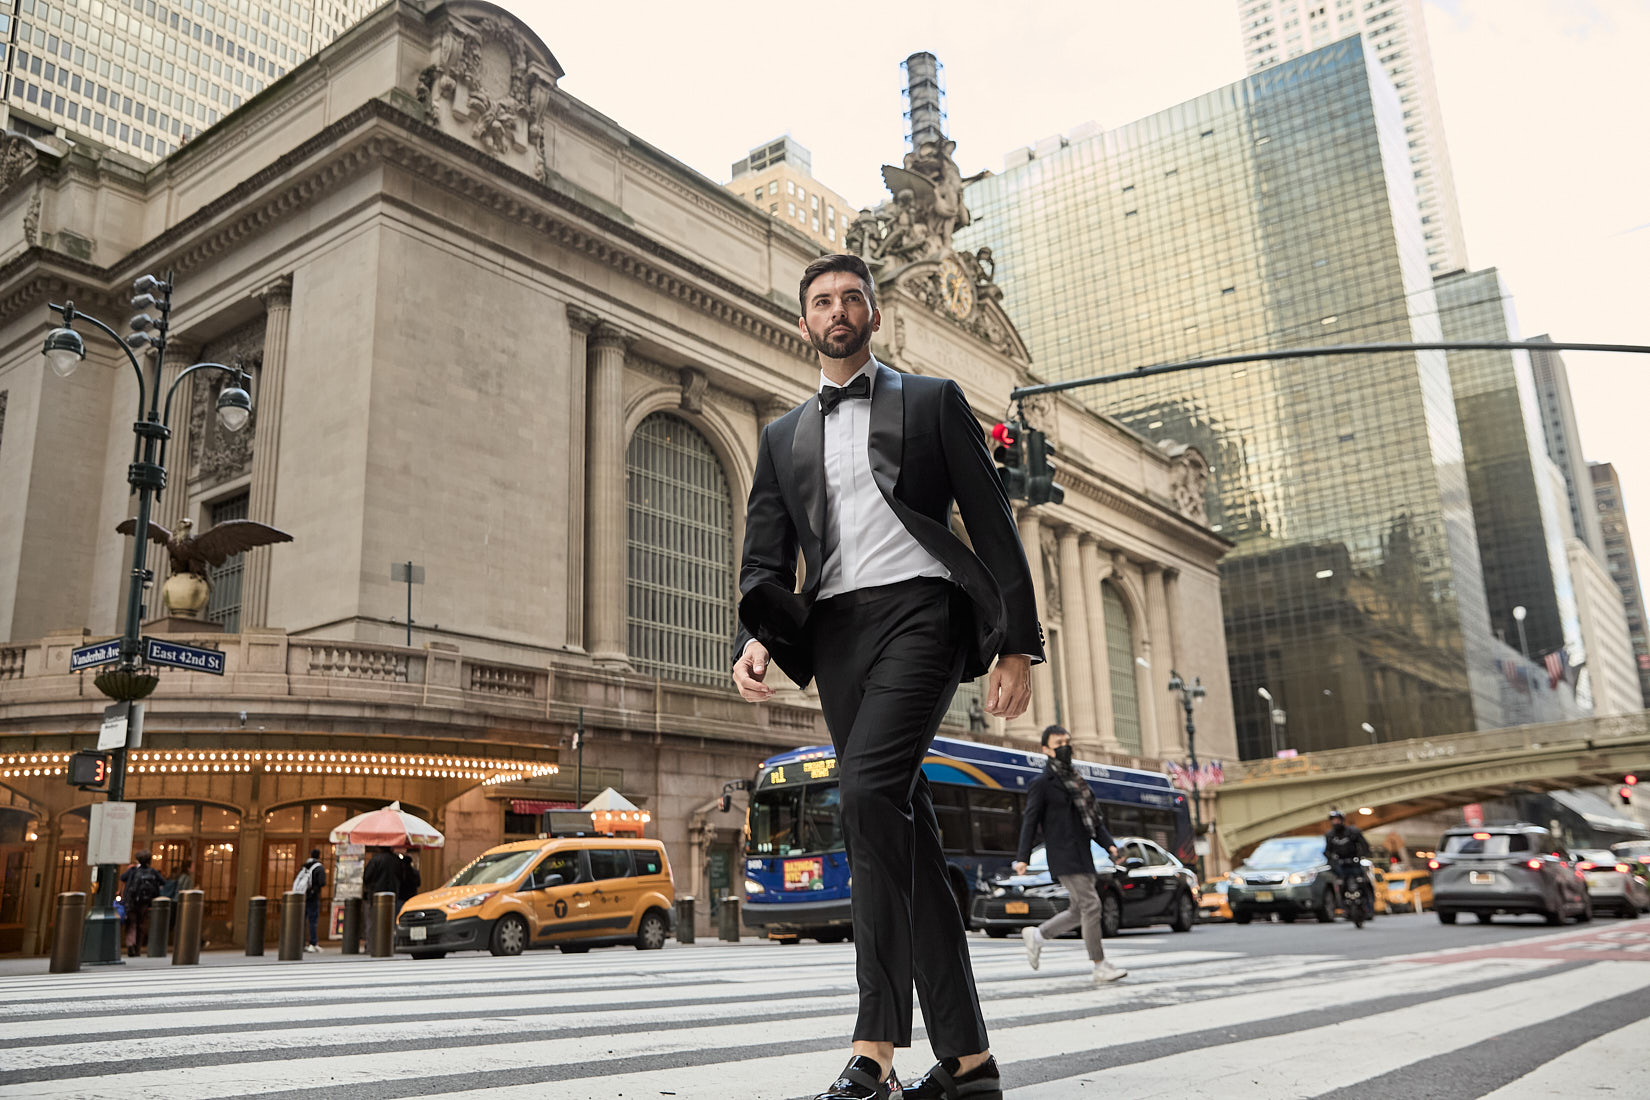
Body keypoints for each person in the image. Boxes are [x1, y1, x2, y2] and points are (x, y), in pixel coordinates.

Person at [733, 253, 1041, 1100]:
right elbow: (766, 554)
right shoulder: (782, 435)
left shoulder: (932, 402)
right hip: (835, 632)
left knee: (866, 793)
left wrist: (1017, 643)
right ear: (805, 321)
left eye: (852, 300)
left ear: (874, 315)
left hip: (922, 614)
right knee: (904, 833)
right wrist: (754, 637)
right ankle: (972, 1063)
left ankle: (875, 1043)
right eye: (822, 301)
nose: (838, 312)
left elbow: (991, 519)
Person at [1013, 726, 1127, 984]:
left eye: (1067, 741)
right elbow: (1030, 821)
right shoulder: (1042, 784)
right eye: (1059, 742)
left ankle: (1038, 936)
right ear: (1046, 750)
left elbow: (1094, 822)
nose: (1065, 746)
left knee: (1078, 910)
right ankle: (1099, 965)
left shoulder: (1077, 780)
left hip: (1083, 854)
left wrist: (1109, 846)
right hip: (1063, 855)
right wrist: (1023, 857)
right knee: (1091, 905)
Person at [1324, 809, 1373, 919]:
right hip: (1341, 865)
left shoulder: (1353, 832)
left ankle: (1368, 908)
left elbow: (1364, 845)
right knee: (1341, 885)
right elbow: (1327, 851)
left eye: (1337, 820)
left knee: (1363, 883)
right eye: (1333, 820)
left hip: (1354, 862)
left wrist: (1362, 856)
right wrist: (1332, 862)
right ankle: (1345, 908)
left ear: (1342, 820)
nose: (1336, 822)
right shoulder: (1330, 835)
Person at [119, 850, 166, 957]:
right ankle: (137, 948)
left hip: (132, 901)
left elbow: (122, 877)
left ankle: (131, 944)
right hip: (145, 903)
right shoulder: (153, 871)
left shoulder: (133, 870)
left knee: (131, 924)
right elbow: (163, 881)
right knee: (141, 925)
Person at [297, 848, 327, 952]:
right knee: (313, 920)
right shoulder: (319, 868)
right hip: (313, 896)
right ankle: (313, 943)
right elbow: (322, 882)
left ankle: (300, 942)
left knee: (302, 919)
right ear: (319, 856)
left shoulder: (305, 866)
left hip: (303, 895)